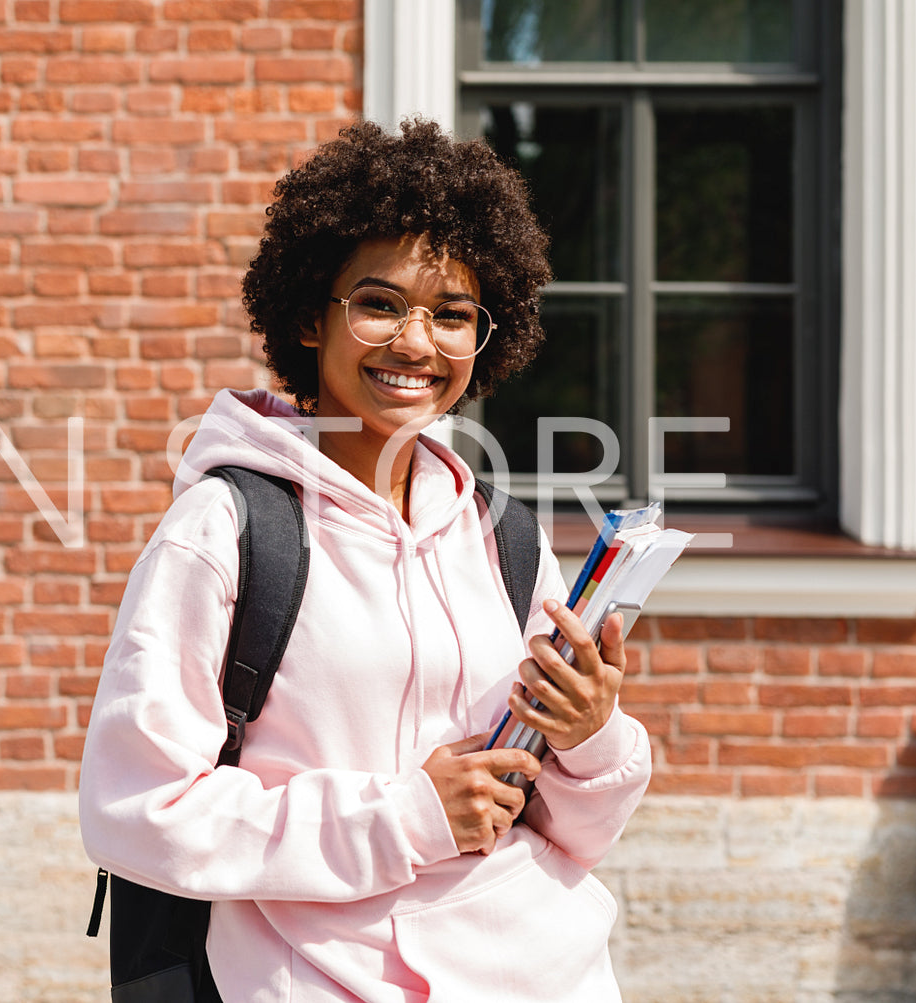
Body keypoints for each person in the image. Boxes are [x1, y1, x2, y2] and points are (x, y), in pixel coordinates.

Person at [78, 117, 650, 1003]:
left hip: (546, 972)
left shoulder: (501, 532)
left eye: (452, 314)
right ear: (311, 314)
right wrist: (408, 817)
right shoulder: (225, 529)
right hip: (314, 977)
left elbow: (577, 830)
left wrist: (588, 735)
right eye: (380, 304)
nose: (417, 344)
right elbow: (137, 811)